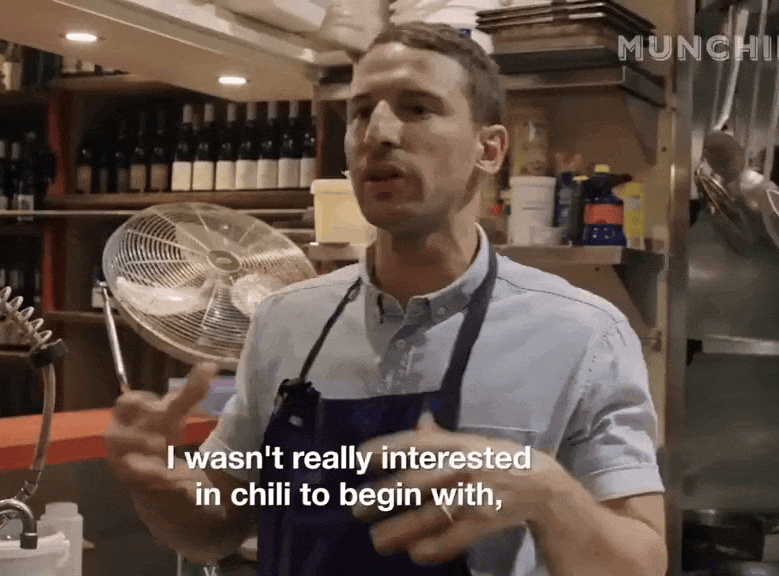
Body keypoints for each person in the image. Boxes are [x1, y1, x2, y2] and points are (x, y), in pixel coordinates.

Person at [105, 21, 667, 576]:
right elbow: (215, 527)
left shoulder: (584, 335)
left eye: (417, 108)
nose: (377, 132)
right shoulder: (286, 319)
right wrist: (163, 494)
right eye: (360, 112)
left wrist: (549, 495)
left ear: (490, 149)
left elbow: (639, 564)